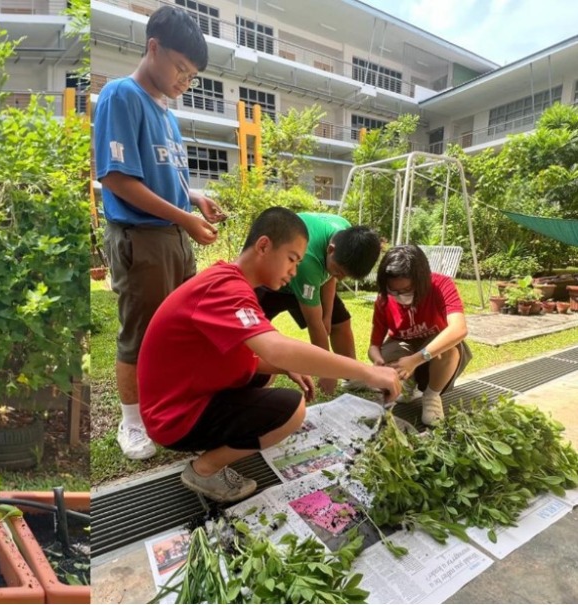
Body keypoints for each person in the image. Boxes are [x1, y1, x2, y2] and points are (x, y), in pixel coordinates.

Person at [138, 207, 401, 503]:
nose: (294, 270)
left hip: (181, 396)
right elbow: (276, 347)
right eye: (292, 259)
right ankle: (204, 469)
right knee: (292, 410)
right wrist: (367, 372)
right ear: (264, 245)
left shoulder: (231, 282)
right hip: (172, 418)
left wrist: (284, 367)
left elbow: (244, 353)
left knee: (272, 369)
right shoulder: (225, 290)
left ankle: (219, 441)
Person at [94, 5, 227, 461]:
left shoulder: (167, 115)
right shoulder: (120, 96)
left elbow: (161, 178)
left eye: (191, 76)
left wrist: (195, 201)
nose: (184, 81)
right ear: (154, 48)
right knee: (141, 330)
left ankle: (169, 402)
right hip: (141, 237)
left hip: (175, 235)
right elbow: (116, 179)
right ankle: (130, 423)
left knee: (178, 326)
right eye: (180, 68)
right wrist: (183, 217)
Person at [255, 212, 381, 395]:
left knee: (341, 323)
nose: (341, 278)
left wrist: (328, 316)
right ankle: (244, 377)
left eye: (346, 275)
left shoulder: (344, 233)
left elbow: (330, 276)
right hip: (272, 283)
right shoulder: (309, 261)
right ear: (330, 249)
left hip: (311, 275)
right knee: (252, 329)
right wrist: (327, 371)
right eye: (339, 271)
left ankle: (354, 377)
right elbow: (315, 324)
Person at [369, 244, 472, 425]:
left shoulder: (441, 285)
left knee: (447, 349)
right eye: (393, 290)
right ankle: (406, 386)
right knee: (388, 355)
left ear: (421, 280)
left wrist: (416, 360)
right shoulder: (384, 300)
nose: (400, 296)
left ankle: (432, 395)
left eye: (406, 290)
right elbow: (374, 346)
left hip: (434, 357)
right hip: (404, 350)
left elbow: (459, 329)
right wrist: (378, 360)